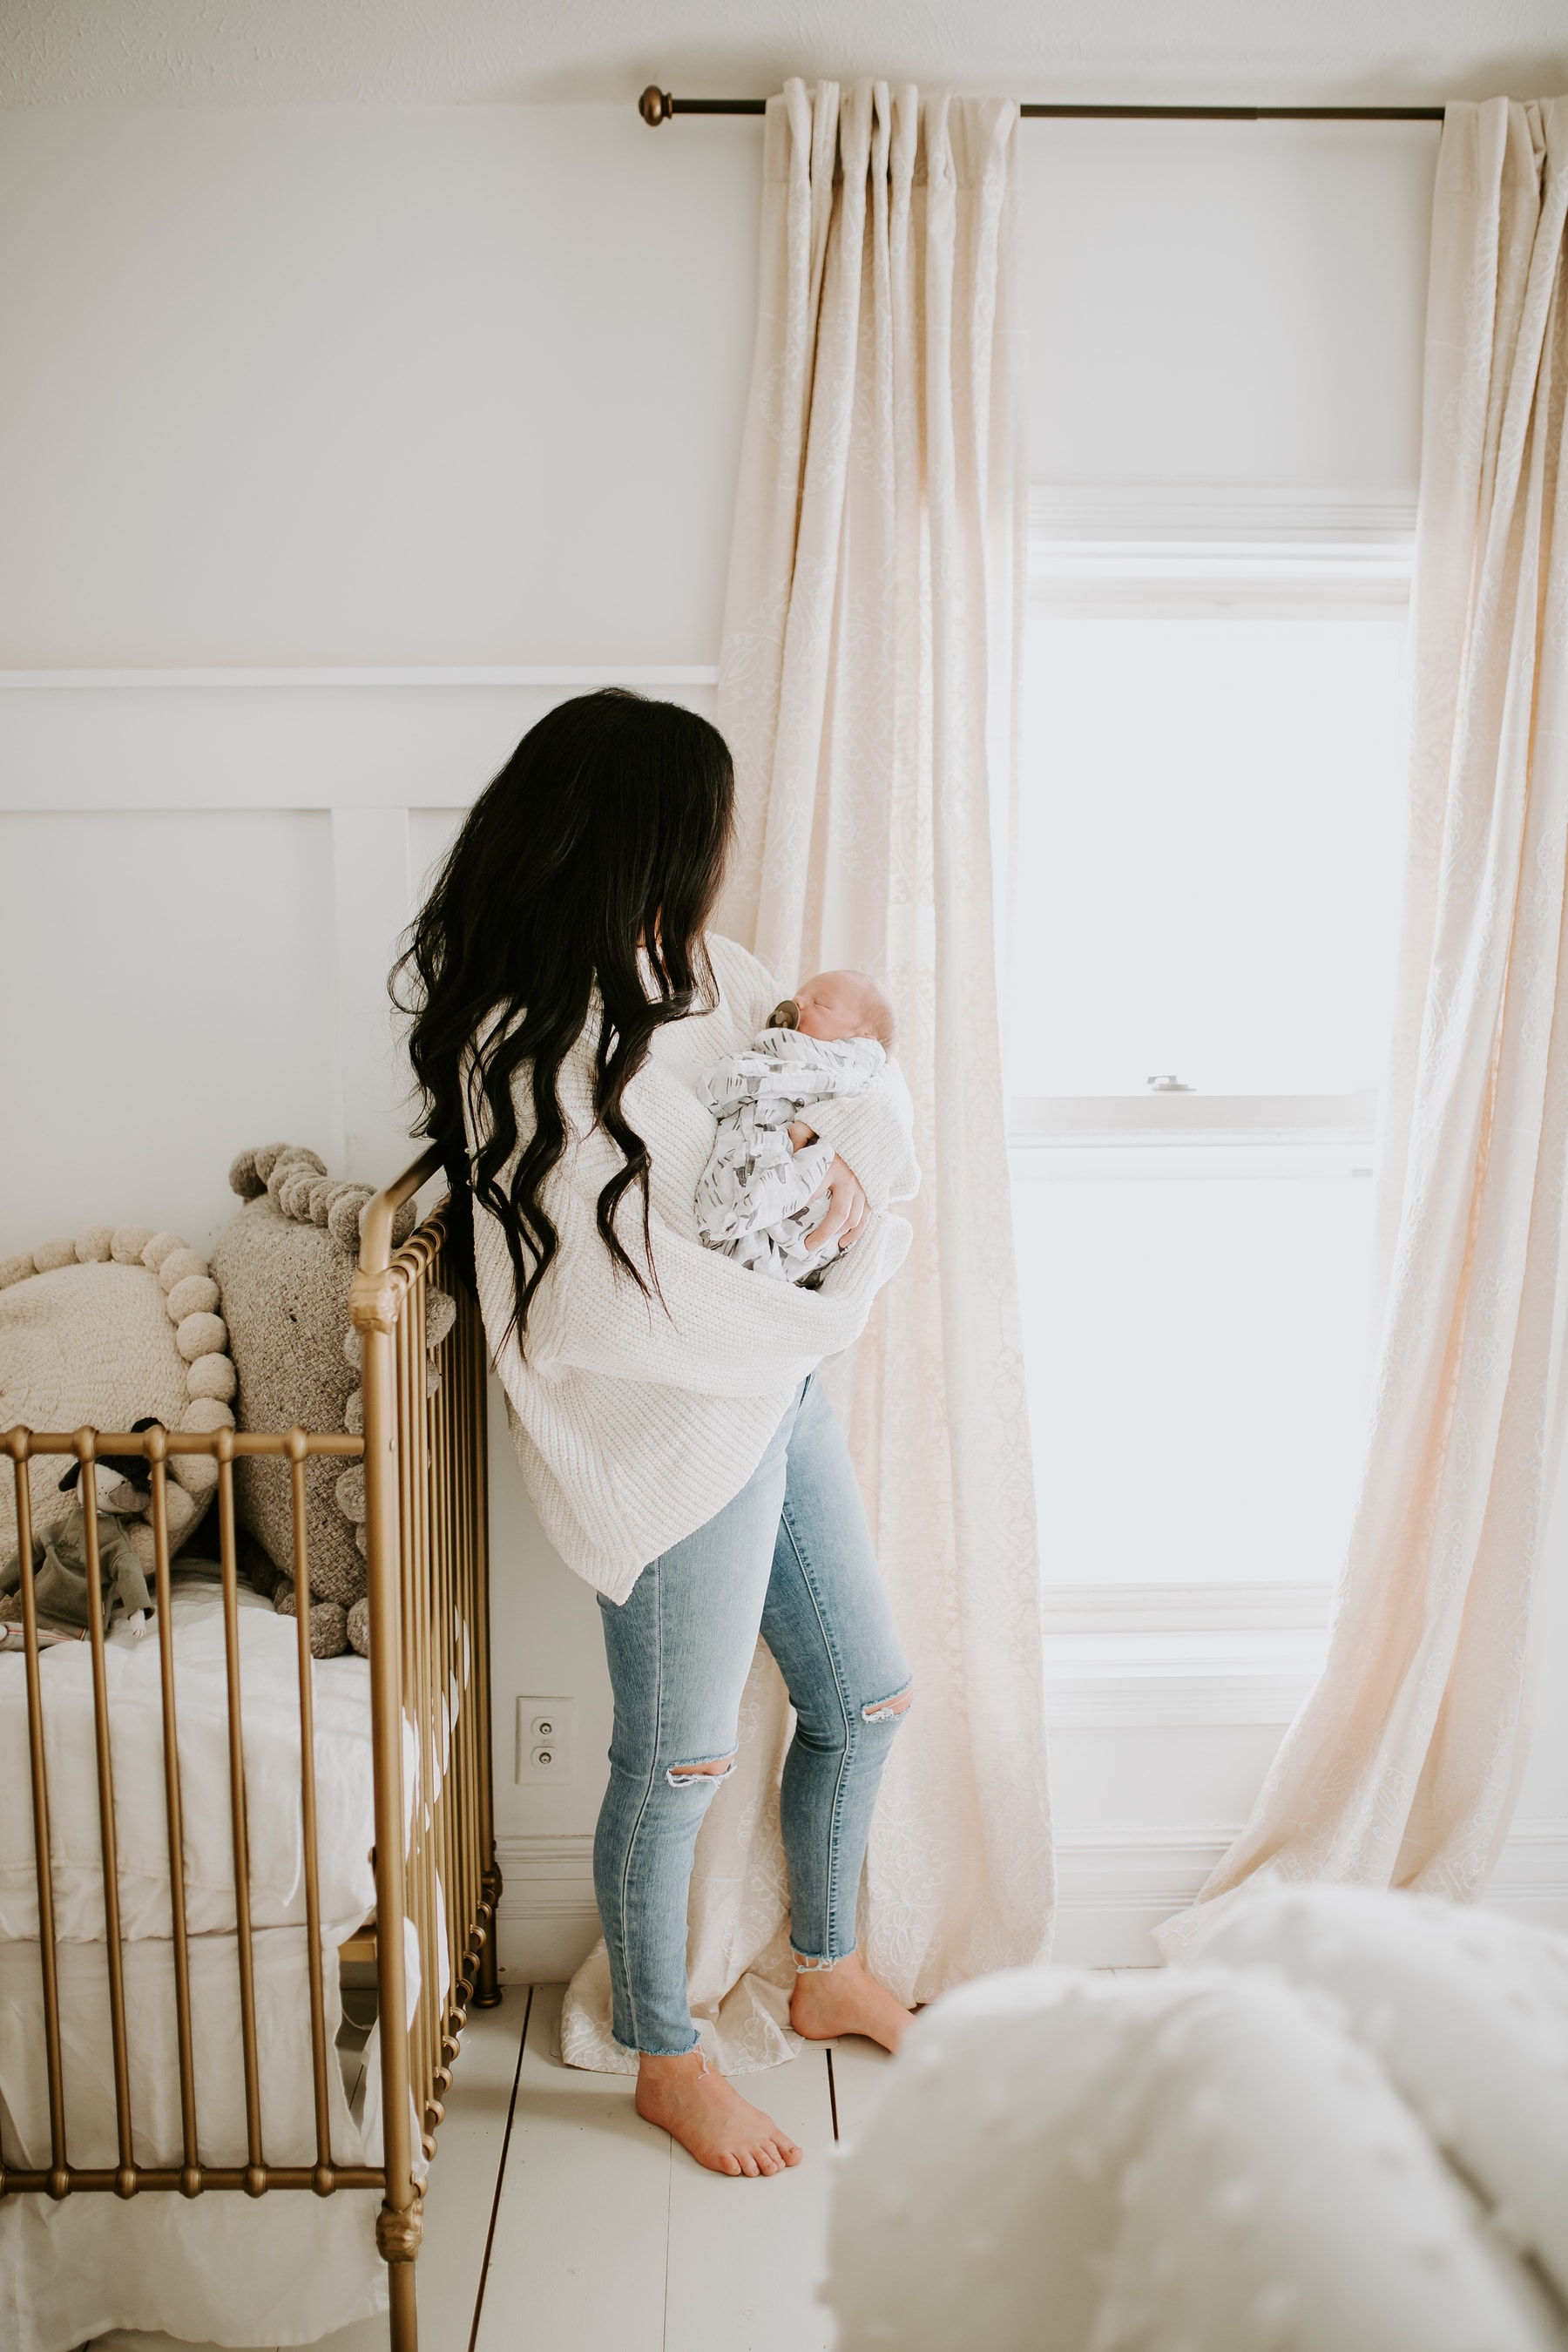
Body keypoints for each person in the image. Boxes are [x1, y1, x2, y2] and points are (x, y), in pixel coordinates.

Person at [398, 689, 920, 2180]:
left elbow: (840, 1102)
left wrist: (844, 1174)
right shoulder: (529, 1040)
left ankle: (826, 1966)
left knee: (867, 1696)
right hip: (672, 1423)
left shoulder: (708, 970)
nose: (719, 863)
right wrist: (802, 1256)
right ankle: (665, 2058)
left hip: (778, 1388)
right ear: (639, 837)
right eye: (703, 834)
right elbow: (611, 1288)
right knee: (678, 1761)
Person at [695, 970, 898, 1283]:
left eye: (820, 1003)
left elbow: (720, 1086)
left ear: (862, 1039)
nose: (797, 1002)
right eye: (799, 995)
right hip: (770, 1234)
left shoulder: (843, 1070)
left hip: (799, 1208)